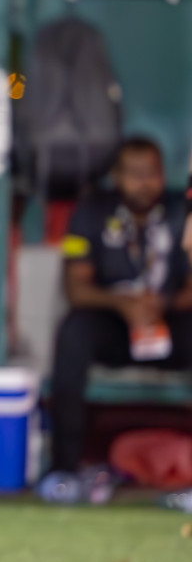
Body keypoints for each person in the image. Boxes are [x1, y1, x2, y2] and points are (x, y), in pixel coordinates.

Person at [48, 136, 192, 480]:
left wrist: (165, 303)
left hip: (172, 321)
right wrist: (122, 304)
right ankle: (64, 469)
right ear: (116, 176)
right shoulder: (91, 211)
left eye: (153, 173)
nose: (146, 183)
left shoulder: (181, 211)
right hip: (113, 324)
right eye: (135, 174)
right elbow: (75, 288)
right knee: (73, 332)